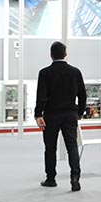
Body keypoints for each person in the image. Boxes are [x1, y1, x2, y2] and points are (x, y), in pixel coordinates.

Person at [35, 40, 86, 191]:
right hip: (70, 114)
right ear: (65, 54)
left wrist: (38, 114)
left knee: (50, 148)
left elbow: (41, 96)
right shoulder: (75, 72)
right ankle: (75, 179)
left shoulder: (44, 73)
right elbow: (82, 95)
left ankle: (51, 178)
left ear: (51, 55)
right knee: (72, 147)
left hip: (51, 115)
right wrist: (80, 112)